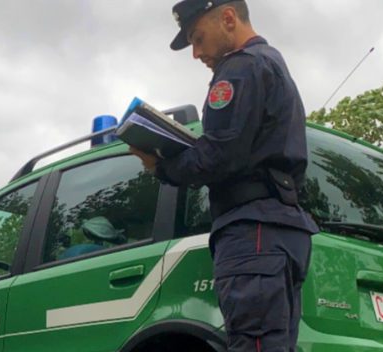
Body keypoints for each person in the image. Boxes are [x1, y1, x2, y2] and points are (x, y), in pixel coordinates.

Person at [130, 0, 319, 351]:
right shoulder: (274, 64)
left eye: (197, 38)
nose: (196, 53)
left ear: (228, 18)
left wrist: (162, 166)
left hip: (252, 230)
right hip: (284, 230)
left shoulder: (240, 68)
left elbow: (218, 155)